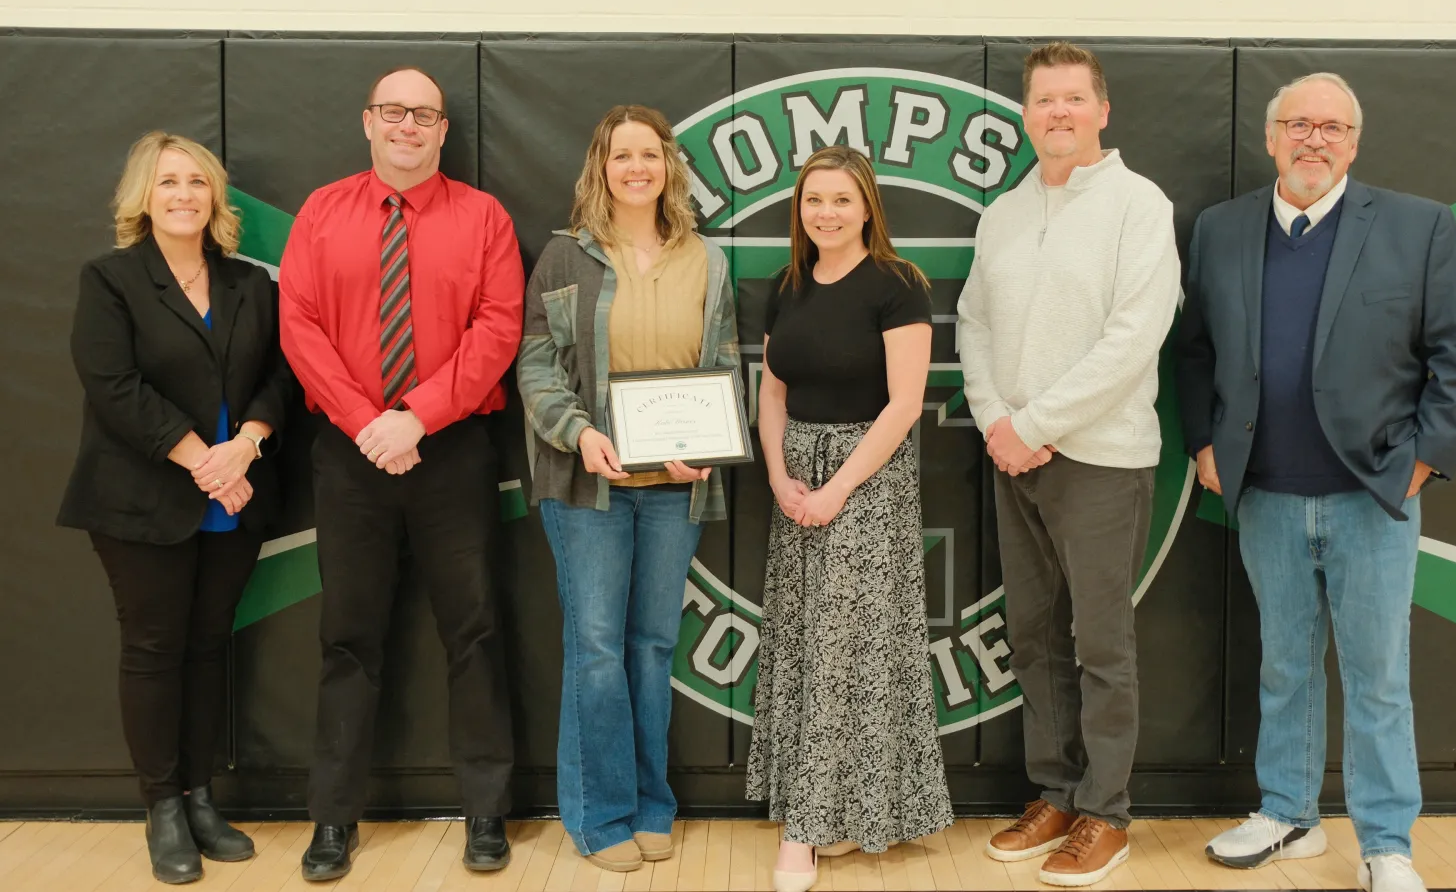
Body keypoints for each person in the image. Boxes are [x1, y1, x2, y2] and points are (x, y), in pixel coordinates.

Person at [1177, 73, 1456, 892]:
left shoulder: (1417, 228)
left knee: (1378, 677)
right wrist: (1204, 443)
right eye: (1299, 125)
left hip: (1374, 494)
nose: (1315, 140)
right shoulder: (1220, 229)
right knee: (1285, 664)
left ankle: (1387, 844)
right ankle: (1289, 814)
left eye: (1333, 128)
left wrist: (1422, 460)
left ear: (1354, 142)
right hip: (1266, 493)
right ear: (1272, 136)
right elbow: (1196, 349)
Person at [277, 66, 524, 881]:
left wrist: (415, 417)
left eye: (424, 114)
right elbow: (300, 327)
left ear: (444, 129)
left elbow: (498, 327)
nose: (408, 126)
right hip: (350, 454)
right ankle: (332, 820)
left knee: (475, 631)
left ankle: (487, 811)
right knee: (348, 637)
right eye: (394, 112)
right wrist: (367, 424)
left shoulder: (483, 217)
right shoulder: (321, 212)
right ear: (368, 121)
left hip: (450, 447)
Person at [957, 42, 1181, 887]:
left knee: (1101, 643)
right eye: (1044, 100)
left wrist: (1039, 423)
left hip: (1102, 458)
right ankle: (1053, 792)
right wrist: (997, 421)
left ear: (1102, 111)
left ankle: (1106, 813)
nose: (1057, 113)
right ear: (1027, 114)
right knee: (1033, 636)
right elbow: (973, 324)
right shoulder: (1005, 212)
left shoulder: (1138, 205)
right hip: (1015, 456)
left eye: (1073, 100)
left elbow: (1134, 336)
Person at [58, 130, 297, 885]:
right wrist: (206, 462)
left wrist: (248, 444)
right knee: (155, 650)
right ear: (143, 197)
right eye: (168, 183)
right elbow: (112, 385)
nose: (184, 195)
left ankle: (199, 797)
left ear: (215, 197)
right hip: (144, 500)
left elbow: (282, 378)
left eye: (197, 182)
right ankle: (161, 806)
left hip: (235, 495)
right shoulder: (111, 279)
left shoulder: (251, 286)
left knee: (207, 647)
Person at [517, 104, 739, 873]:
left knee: (652, 648)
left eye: (651, 154)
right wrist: (579, 431)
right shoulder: (564, 258)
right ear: (600, 168)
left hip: (677, 490)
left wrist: (705, 447)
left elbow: (727, 365)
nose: (637, 167)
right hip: (588, 487)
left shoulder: (708, 261)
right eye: (623, 156)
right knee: (598, 650)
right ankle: (600, 814)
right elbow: (535, 364)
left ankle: (652, 805)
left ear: (670, 167)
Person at [745, 145, 952, 892]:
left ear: (867, 207)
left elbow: (903, 404)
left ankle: (805, 834)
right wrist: (779, 473)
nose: (825, 212)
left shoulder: (898, 286)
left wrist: (838, 489)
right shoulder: (786, 285)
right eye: (813, 200)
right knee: (805, 643)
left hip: (869, 477)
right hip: (796, 473)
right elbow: (772, 390)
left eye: (840, 199)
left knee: (847, 651)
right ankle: (824, 811)